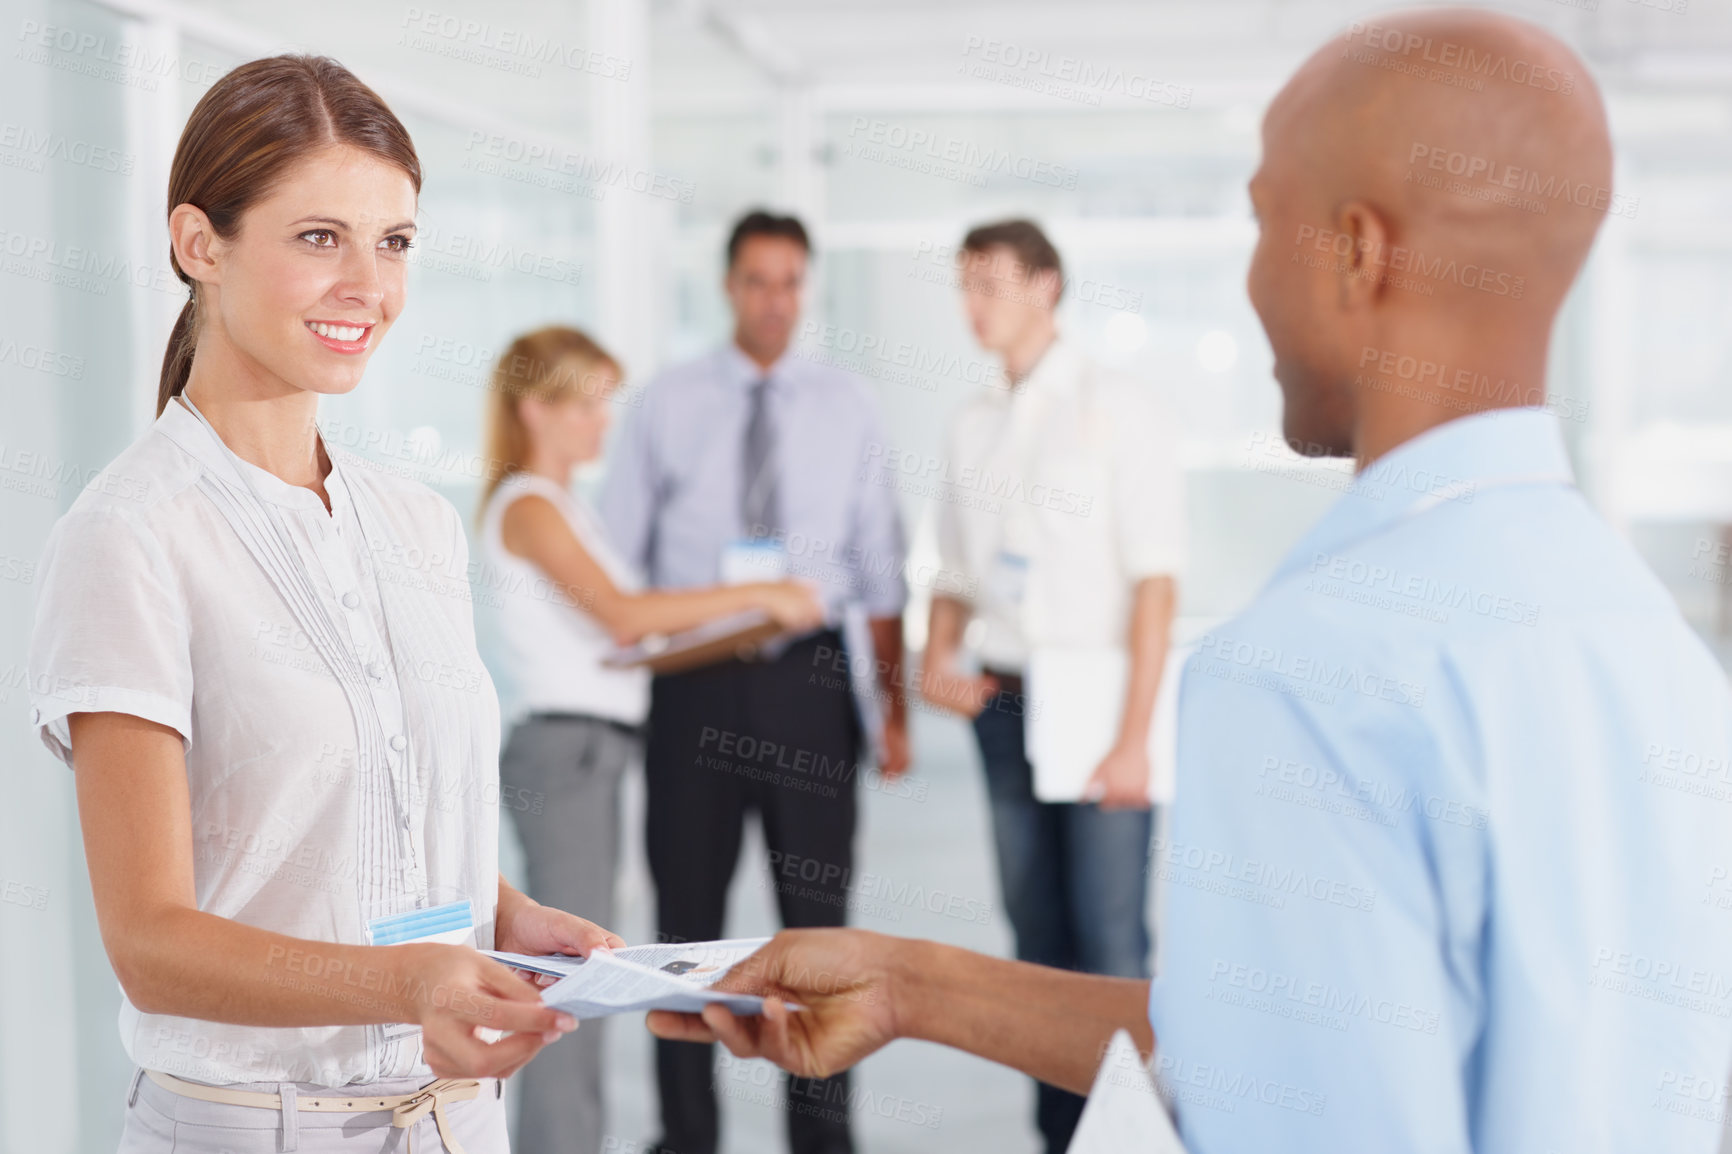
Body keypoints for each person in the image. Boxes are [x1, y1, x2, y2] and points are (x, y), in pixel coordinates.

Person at [647, 10, 1732, 1152]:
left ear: (1357, 252)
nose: (1251, 284)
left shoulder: (1311, 674)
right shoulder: (1654, 650)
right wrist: (911, 984)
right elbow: (1285, 1042)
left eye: (1263, 224)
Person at [27, 56, 620, 1153]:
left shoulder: (416, 524)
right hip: (257, 1128)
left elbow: (370, 787)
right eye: (319, 238)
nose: (369, 284)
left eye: (393, 241)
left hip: (455, 1123)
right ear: (200, 244)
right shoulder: (130, 537)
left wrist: (502, 913)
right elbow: (149, 938)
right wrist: (407, 980)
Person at [600, 210, 910, 1154]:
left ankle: (823, 1142)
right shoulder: (665, 402)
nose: (774, 301)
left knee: (817, 934)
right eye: (756, 282)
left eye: (790, 283)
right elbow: (619, 559)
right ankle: (684, 1135)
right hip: (694, 687)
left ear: (803, 290)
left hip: (809, 688)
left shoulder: (848, 405)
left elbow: (882, 566)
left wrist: (890, 712)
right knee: (684, 927)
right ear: (728, 288)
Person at [475, 325, 823, 1154]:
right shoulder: (526, 504)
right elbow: (627, 618)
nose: (604, 423)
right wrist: (764, 592)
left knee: (588, 980)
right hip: (566, 754)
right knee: (571, 987)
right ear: (536, 407)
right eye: (589, 404)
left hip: (598, 751)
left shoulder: (569, 510)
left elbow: (639, 648)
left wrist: (754, 627)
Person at [918, 218, 1184, 1152]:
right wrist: (934, 658)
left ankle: (1138, 1139)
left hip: (1101, 703)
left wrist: (1136, 740)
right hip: (1005, 699)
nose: (972, 306)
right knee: (1035, 945)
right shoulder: (970, 420)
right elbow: (952, 576)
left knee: (1111, 946)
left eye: (989, 284)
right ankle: (1060, 1141)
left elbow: (1156, 581)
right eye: (964, 286)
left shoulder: (1118, 407)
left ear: (1047, 287)